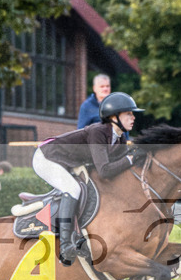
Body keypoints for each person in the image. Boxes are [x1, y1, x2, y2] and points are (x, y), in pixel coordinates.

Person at [33, 91, 144, 265]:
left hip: (67, 162)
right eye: (129, 113)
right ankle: (66, 245)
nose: (133, 118)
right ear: (114, 117)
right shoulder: (98, 132)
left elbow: (119, 167)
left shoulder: (120, 138)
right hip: (47, 157)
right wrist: (130, 158)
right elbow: (105, 170)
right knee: (73, 189)